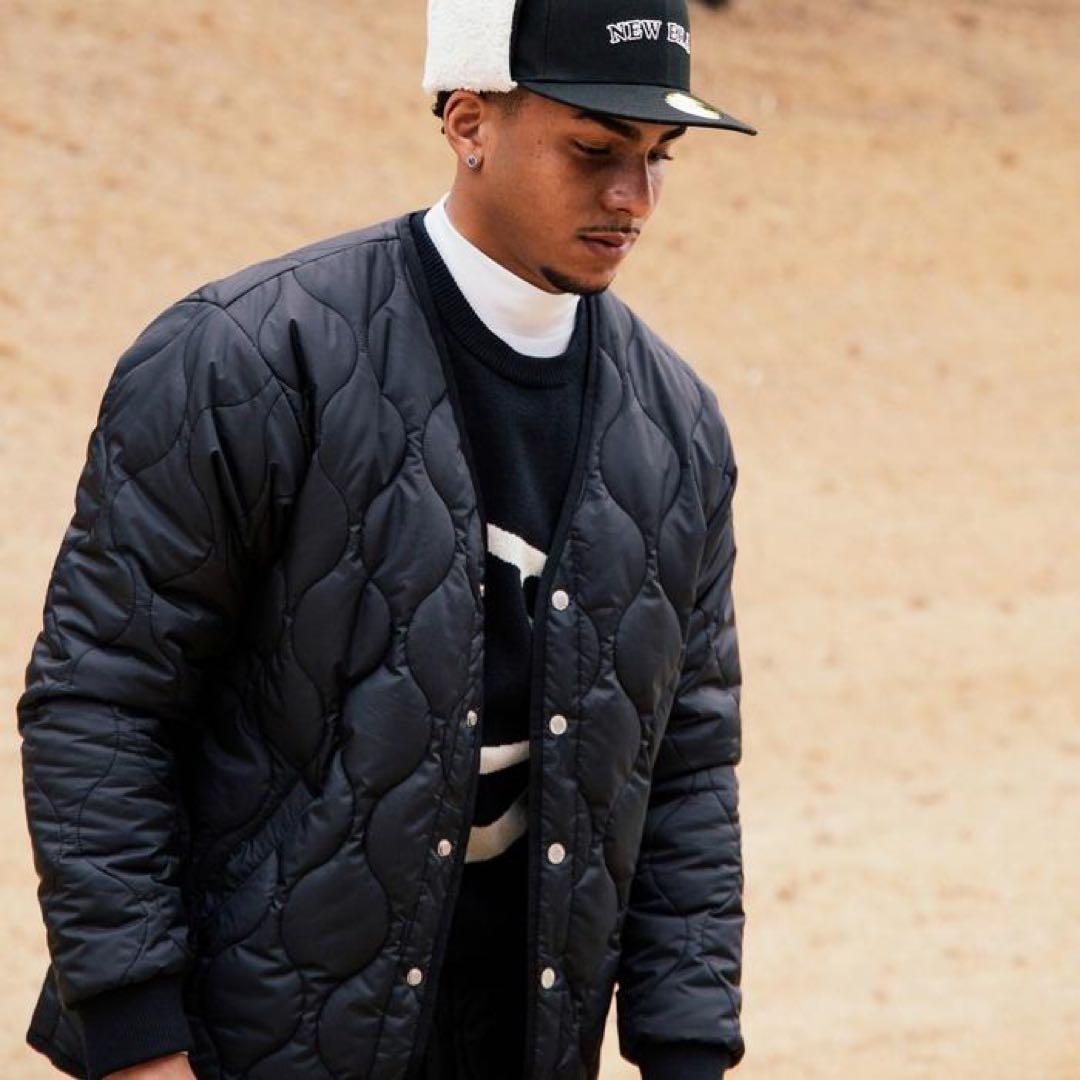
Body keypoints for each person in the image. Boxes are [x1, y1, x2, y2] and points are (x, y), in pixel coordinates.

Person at [17, 2, 755, 1078]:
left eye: (658, 156)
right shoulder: (246, 357)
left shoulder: (678, 427)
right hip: (239, 1047)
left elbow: (686, 765)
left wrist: (687, 1052)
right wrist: (136, 1038)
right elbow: (101, 702)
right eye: (595, 150)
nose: (633, 198)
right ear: (469, 124)